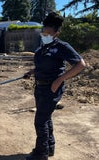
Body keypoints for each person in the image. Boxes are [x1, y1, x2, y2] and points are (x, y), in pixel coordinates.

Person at [24, 12, 86, 160]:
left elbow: (80, 65)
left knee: (40, 120)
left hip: (51, 88)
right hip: (39, 87)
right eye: (43, 32)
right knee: (45, 118)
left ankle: (41, 154)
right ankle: (49, 147)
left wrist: (59, 80)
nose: (44, 35)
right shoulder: (42, 48)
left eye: (48, 33)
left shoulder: (62, 47)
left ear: (56, 33)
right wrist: (32, 72)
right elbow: (43, 66)